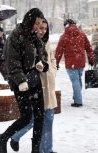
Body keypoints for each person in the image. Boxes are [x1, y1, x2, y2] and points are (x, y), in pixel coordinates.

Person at [0, 8, 46, 153]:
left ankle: (35, 150)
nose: (38, 26)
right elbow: (12, 61)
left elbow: (42, 55)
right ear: (29, 20)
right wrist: (20, 80)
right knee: (26, 117)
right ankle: (3, 138)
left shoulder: (34, 37)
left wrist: (42, 63)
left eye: (40, 23)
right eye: (36, 23)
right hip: (21, 83)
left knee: (39, 117)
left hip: (34, 80)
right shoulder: (15, 36)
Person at [10, 19, 58, 153]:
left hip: (48, 85)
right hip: (36, 87)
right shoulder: (28, 42)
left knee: (48, 119)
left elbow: (52, 59)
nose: (42, 31)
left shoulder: (46, 41)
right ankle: (15, 136)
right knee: (32, 120)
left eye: (45, 28)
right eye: (40, 28)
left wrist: (52, 71)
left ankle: (47, 149)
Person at [55, 19, 94, 107]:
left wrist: (56, 63)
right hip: (80, 62)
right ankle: (77, 96)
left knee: (75, 81)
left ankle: (78, 101)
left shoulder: (64, 37)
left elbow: (59, 52)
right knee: (78, 80)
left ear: (66, 26)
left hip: (70, 63)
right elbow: (89, 48)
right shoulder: (82, 35)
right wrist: (91, 59)